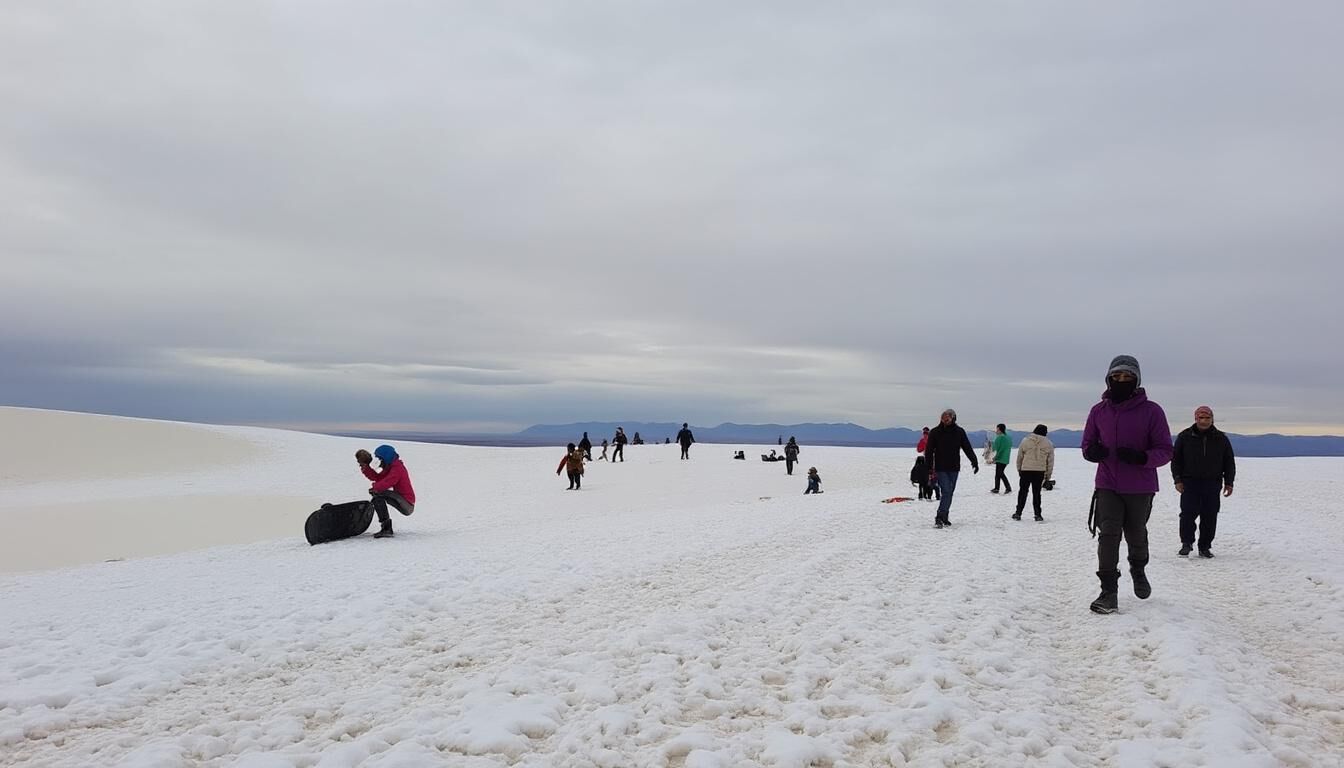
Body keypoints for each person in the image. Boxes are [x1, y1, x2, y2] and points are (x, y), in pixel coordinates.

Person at [1082, 355, 1173, 614]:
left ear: (1137, 380)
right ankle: (1108, 592)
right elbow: (1087, 444)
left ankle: (1138, 567)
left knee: (1136, 532)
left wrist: (1142, 457)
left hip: (1140, 485)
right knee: (1108, 535)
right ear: (1109, 379)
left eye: (1127, 377)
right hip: (1108, 483)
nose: (1121, 381)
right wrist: (1092, 453)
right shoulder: (1098, 411)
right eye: (1117, 377)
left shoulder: (1152, 411)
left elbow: (1166, 450)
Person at [1172, 405, 1236, 558]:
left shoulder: (1221, 438)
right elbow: (1176, 460)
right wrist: (1177, 480)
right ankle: (1186, 543)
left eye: (1207, 418)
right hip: (1189, 483)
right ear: (1196, 419)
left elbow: (1229, 462)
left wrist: (1229, 482)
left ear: (1212, 419)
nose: (1204, 421)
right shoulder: (1184, 436)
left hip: (1212, 483)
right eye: (1201, 418)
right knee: (1187, 514)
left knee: (1210, 515)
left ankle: (1205, 547)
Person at [924, 409, 979, 528]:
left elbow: (967, 447)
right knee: (947, 491)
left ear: (953, 418)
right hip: (940, 467)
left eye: (947, 418)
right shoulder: (935, 432)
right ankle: (939, 516)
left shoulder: (959, 432)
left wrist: (974, 461)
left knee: (949, 492)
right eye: (943, 418)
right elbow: (928, 452)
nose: (945, 421)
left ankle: (945, 516)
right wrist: (929, 468)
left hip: (954, 467)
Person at [358, 444, 416, 539]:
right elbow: (378, 478)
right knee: (377, 496)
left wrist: (375, 488)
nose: (380, 461)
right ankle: (386, 527)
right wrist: (366, 467)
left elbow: (389, 481)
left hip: (407, 503)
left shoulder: (397, 468)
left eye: (381, 459)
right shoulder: (391, 467)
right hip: (402, 499)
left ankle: (387, 529)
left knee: (378, 495)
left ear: (386, 457)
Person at [1014, 424, 1054, 521]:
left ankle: (1018, 513)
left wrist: (1019, 469)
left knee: (1023, 492)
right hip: (1039, 471)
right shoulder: (1048, 443)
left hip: (1026, 470)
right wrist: (1048, 476)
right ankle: (1038, 514)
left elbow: (1020, 457)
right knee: (1036, 493)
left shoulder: (1025, 440)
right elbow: (1050, 461)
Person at [991, 424, 1013, 494]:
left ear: (1000, 430)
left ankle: (1007, 488)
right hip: (1006, 458)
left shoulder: (1000, 438)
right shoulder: (1008, 437)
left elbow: (998, 449)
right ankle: (997, 488)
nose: (996, 431)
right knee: (998, 473)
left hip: (1001, 458)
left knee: (1000, 473)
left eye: (997, 429)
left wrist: (995, 457)